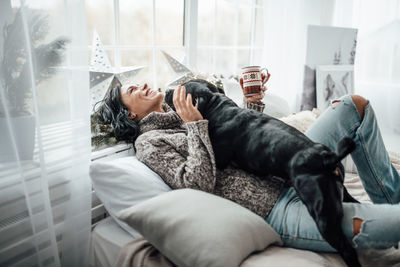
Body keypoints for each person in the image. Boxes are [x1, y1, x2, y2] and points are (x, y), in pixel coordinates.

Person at [96, 74, 400, 254]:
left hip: (290, 165)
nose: (142, 85)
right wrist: (194, 126)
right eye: (132, 91)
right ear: (130, 115)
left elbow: (244, 132)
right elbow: (195, 185)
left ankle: (392, 196)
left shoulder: (184, 106)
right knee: (391, 224)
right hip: (277, 208)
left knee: (352, 106)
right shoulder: (149, 144)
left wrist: (251, 100)